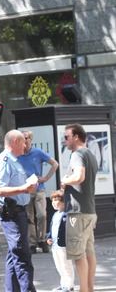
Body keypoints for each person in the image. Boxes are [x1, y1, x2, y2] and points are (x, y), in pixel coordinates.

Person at [0, 130, 39, 292]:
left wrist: (28, 186)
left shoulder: (14, 160)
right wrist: (22, 189)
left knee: (14, 256)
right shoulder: (5, 160)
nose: (26, 145)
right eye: (24, 142)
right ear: (15, 142)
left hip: (19, 212)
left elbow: (15, 185)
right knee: (22, 256)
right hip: (12, 214)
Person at [61, 123, 98, 292]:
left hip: (78, 212)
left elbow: (79, 176)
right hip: (89, 211)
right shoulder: (89, 153)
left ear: (76, 137)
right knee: (89, 252)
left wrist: (64, 180)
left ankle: (84, 290)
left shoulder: (77, 154)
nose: (64, 140)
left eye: (66, 137)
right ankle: (89, 288)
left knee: (78, 254)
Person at [18, 129, 59, 254]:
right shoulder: (18, 153)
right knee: (29, 217)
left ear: (30, 139)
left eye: (25, 138)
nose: (23, 140)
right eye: (21, 138)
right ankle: (32, 243)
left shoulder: (37, 152)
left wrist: (46, 178)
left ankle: (42, 240)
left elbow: (55, 164)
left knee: (41, 214)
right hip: (25, 190)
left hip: (39, 188)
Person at [46, 189, 75, 292]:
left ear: (63, 201)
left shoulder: (66, 214)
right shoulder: (55, 214)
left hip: (63, 245)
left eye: (56, 201)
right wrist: (48, 237)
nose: (53, 203)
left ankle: (69, 285)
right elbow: (51, 227)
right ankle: (63, 284)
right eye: (52, 201)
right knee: (59, 266)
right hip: (55, 245)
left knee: (66, 265)